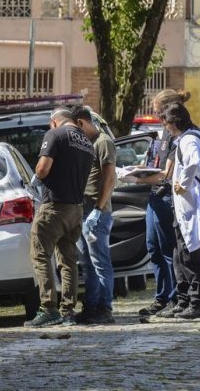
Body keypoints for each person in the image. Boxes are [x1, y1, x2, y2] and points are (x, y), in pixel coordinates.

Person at [24, 105, 94, 328]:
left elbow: (43, 169)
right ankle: (68, 311)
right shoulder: (86, 142)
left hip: (54, 206)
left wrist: (36, 176)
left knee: (41, 255)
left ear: (54, 121)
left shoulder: (55, 134)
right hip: (75, 208)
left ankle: (48, 308)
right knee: (68, 260)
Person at [129, 89, 189, 317]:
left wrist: (136, 177)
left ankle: (177, 298)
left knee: (167, 250)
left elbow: (168, 174)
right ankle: (162, 297)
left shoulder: (177, 135)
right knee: (153, 248)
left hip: (166, 197)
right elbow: (155, 162)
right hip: (154, 196)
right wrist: (139, 169)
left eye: (156, 109)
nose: (154, 113)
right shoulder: (163, 133)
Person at [157, 102, 200, 319]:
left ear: (175, 122)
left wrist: (184, 183)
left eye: (167, 122)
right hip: (183, 206)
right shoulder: (184, 139)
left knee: (192, 254)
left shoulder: (190, 139)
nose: (166, 127)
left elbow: (195, 162)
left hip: (190, 203)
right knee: (180, 253)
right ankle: (185, 300)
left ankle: (198, 303)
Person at [73, 106, 117, 325]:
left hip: (96, 211)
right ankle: (90, 307)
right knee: (88, 264)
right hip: (85, 210)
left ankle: (104, 308)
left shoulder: (103, 142)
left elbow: (110, 179)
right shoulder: (87, 144)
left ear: (82, 123)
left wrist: (98, 210)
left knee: (100, 262)